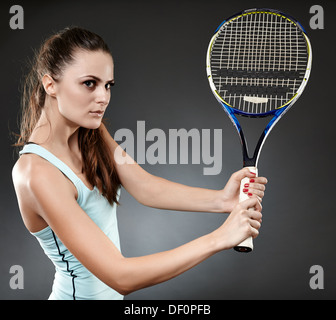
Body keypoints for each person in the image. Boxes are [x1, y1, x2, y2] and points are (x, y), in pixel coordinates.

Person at [12, 27, 267, 300]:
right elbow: (121, 276)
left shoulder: (90, 130)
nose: (103, 97)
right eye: (89, 83)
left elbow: (144, 187)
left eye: (108, 85)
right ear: (50, 84)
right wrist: (219, 238)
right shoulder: (35, 172)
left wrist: (222, 200)